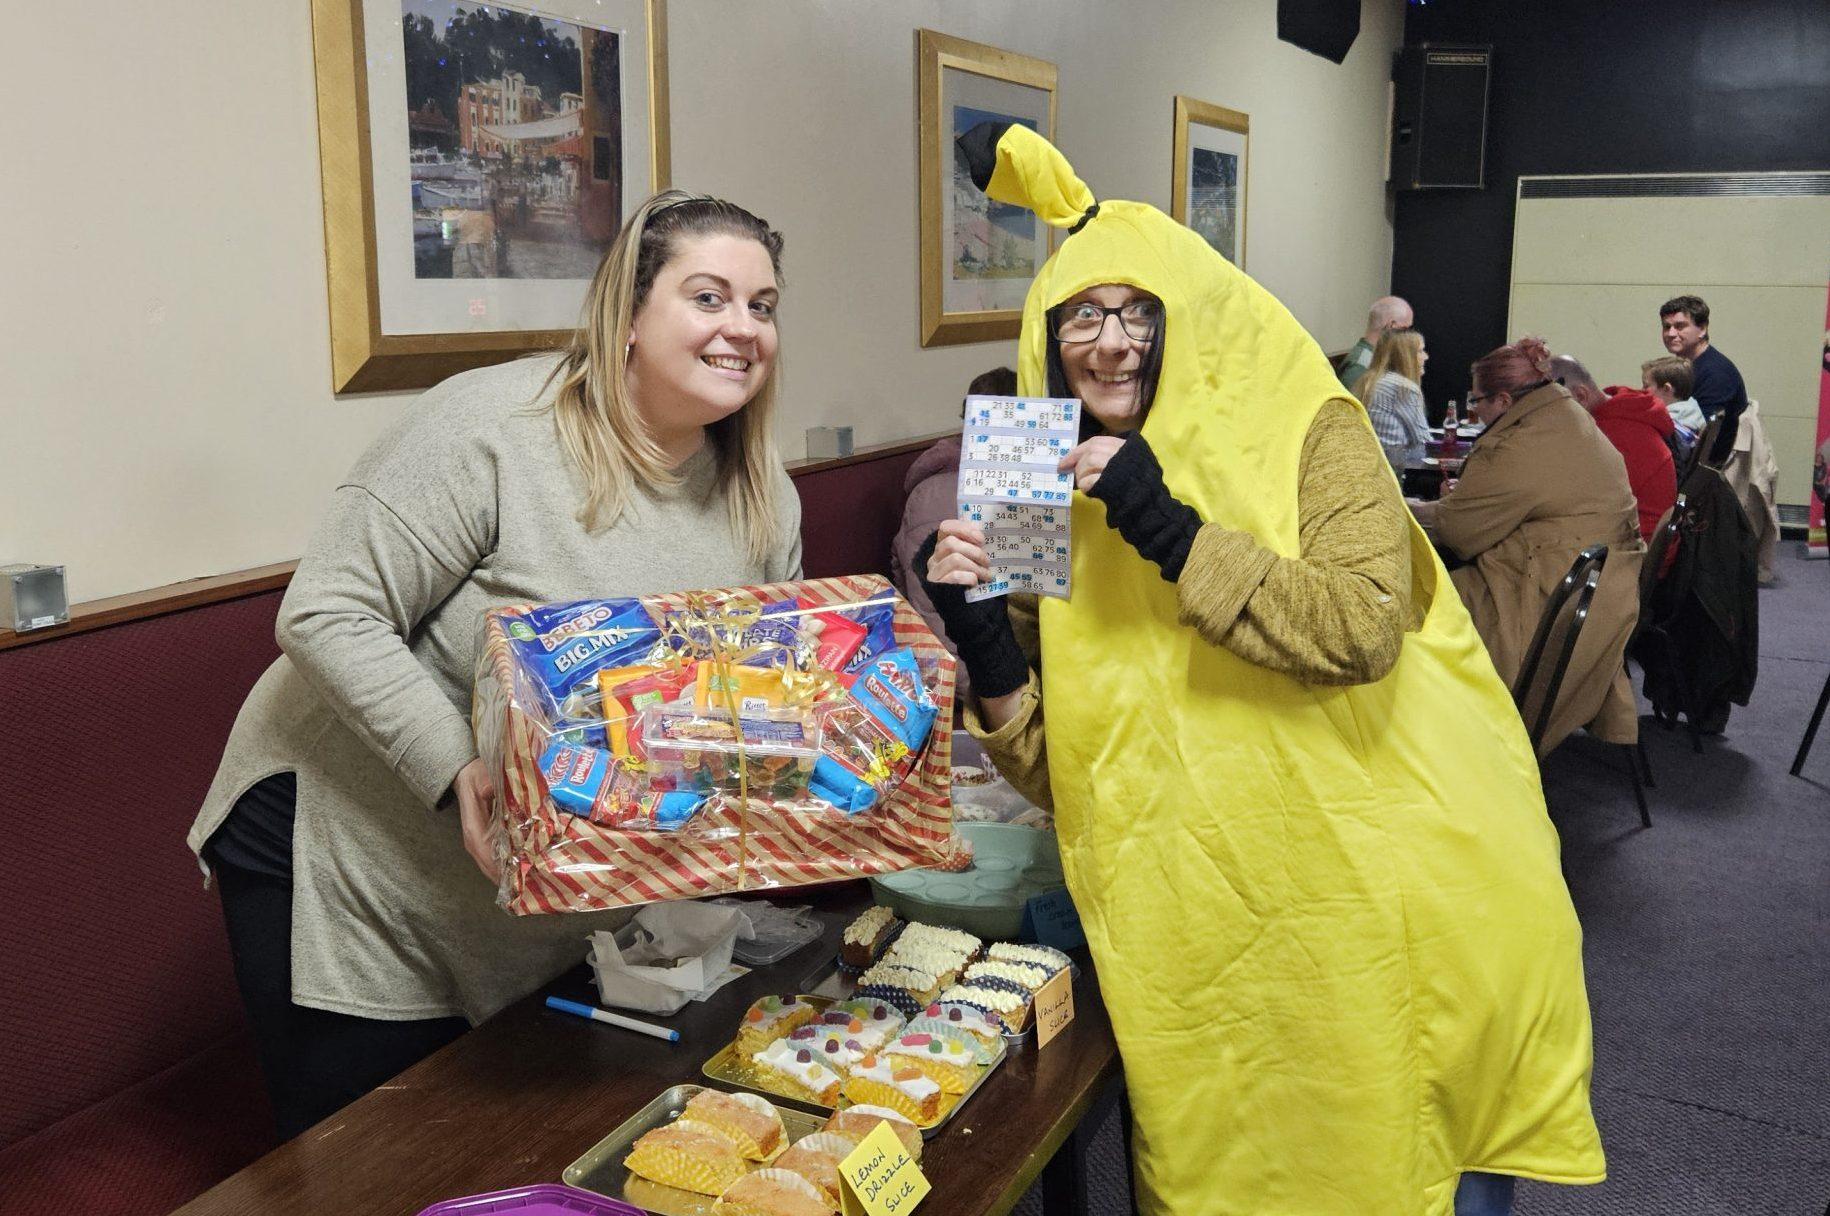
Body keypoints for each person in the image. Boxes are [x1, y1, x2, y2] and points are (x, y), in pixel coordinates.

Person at [922, 123, 1603, 1215]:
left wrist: (1162, 521)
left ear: (1195, 312)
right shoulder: (1025, 456)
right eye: (1081, 315)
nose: (1112, 343)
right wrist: (982, 635)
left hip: (1382, 878)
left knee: (1401, 1161)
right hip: (1204, 924)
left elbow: (1361, 626)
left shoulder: (1310, 424)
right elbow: (1071, 772)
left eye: (1141, 309)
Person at [186, 191, 802, 1140]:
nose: (742, 329)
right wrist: (456, 770)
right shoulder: (493, 429)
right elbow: (326, 609)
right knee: (384, 1163)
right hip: (361, 843)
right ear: (629, 318)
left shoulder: (766, 500)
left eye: (762, 306)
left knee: (522, 1142)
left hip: (537, 868)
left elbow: (753, 698)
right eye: (709, 297)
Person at [1411, 337, 1644, 754]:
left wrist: (1402, 509)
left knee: (1408, 602)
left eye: (1477, 400)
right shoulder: (1564, 417)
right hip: (1596, 592)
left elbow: (1462, 533)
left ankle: (1429, 744)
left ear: (1503, 400)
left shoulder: (1522, 442)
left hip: (1548, 601)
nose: (1474, 410)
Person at [889, 365, 1018, 706]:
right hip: (968, 684)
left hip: (958, 673)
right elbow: (928, 611)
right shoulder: (936, 496)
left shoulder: (926, 490)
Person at [1552, 354, 1676, 542]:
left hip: (1633, 549)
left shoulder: (1610, 434)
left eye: (1553, 409)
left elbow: (1574, 503)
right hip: (1639, 537)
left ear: (1580, 395)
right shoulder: (1626, 411)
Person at [1660, 294, 1745, 462]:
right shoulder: (1688, 366)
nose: (1670, 333)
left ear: (1703, 329)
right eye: (1666, 326)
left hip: (1702, 471)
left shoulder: (1716, 373)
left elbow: (1694, 437)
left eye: (1680, 326)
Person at [1353, 328, 1431, 471]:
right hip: (1396, 471)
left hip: (1368, 466)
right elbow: (1422, 440)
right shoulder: (1404, 387)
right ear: (1405, 356)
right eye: (1420, 351)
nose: (1426, 357)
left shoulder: (1366, 381)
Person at [1337, 294, 1413, 390]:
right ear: (1391, 326)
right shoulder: (1360, 367)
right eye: (1405, 329)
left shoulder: (1376, 357)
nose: (1408, 336)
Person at [1641, 354, 1706, 434]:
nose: (1642, 390)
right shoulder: (1691, 408)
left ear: (1666, 388)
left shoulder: (1671, 421)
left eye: (1646, 386)